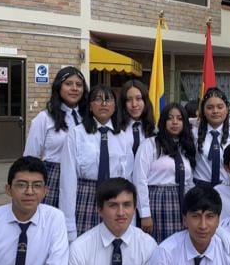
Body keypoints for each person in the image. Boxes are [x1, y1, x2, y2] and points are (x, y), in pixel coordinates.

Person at [59, 84, 135, 240]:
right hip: (86, 197)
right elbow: (68, 179)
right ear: (90, 106)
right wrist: (68, 224)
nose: (104, 104)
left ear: (115, 106)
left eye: (108, 100)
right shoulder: (77, 134)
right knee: (84, 245)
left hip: (115, 198)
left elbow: (128, 177)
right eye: (98, 99)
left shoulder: (123, 136)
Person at [24, 66, 88, 210]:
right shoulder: (44, 118)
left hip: (82, 179)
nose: (74, 88)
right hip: (54, 178)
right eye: (68, 84)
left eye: (79, 85)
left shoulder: (87, 118)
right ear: (59, 87)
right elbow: (30, 157)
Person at [135, 104, 196, 243]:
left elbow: (189, 182)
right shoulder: (150, 144)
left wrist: (191, 208)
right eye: (170, 118)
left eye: (179, 119)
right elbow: (140, 179)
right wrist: (145, 213)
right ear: (163, 121)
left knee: (179, 245)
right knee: (156, 245)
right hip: (157, 201)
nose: (175, 122)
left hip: (181, 203)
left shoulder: (186, 146)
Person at [191, 88, 230, 189]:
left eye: (220, 107)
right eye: (210, 107)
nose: (215, 111)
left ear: (227, 110)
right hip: (199, 189)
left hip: (226, 190)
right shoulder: (192, 134)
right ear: (203, 111)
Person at [118, 80, 156, 160]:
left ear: (145, 101)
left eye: (138, 99)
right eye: (129, 100)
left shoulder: (153, 129)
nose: (134, 104)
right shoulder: (116, 128)